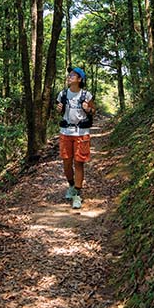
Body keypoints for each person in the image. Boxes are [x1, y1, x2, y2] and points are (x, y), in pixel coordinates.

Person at [56, 66, 95, 210]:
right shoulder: (63, 94)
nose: (70, 76)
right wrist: (58, 109)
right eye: (69, 75)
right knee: (66, 163)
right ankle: (71, 185)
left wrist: (88, 109)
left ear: (79, 79)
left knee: (79, 163)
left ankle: (77, 194)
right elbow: (59, 108)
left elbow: (93, 110)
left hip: (81, 133)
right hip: (65, 132)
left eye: (73, 75)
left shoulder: (86, 95)